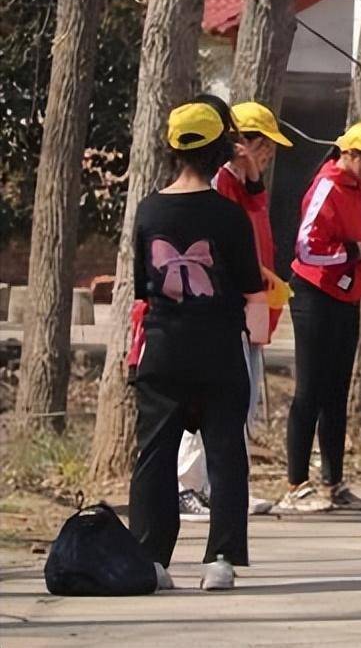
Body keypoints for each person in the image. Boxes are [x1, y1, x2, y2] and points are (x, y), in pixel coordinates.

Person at [128, 100, 267, 591]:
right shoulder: (228, 217)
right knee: (226, 453)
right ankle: (221, 559)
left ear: (171, 149)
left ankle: (150, 559)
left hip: (163, 349)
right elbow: (253, 285)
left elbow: (143, 282)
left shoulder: (148, 209)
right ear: (218, 153)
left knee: (154, 456)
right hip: (218, 350)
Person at [276, 120, 361, 514]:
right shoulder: (328, 185)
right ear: (351, 154)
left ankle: (334, 481)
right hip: (315, 294)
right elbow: (306, 247)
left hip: (347, 295)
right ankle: (296, 483)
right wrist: (354, 253)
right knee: (309, 390)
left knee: (336, 392)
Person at [176, 100, 292, 520]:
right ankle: (189, 485)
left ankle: (227, 487)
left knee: (239, 403)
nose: (267, 156)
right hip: (229, 307)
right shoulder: (221, 184)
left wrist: (256, 178)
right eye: (263, 148)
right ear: (242, 144)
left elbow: (257, 223)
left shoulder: (246, 188)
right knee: (212, 402)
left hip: (252, 305)